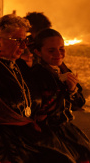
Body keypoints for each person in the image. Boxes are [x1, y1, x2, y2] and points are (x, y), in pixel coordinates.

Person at [0, 14, 73, 163]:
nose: (24, 46)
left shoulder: (20, 65)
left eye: (25, 40)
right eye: (18, 41)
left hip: (26, 137)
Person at [31, 29, 90, 161]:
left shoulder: (63, 69)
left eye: (61, 48)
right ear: (38, 52)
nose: (58, 54)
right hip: (46, 133)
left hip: (66, 130)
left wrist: (72, 90)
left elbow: (79, 103)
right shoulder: (36, 75)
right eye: (51, 50)